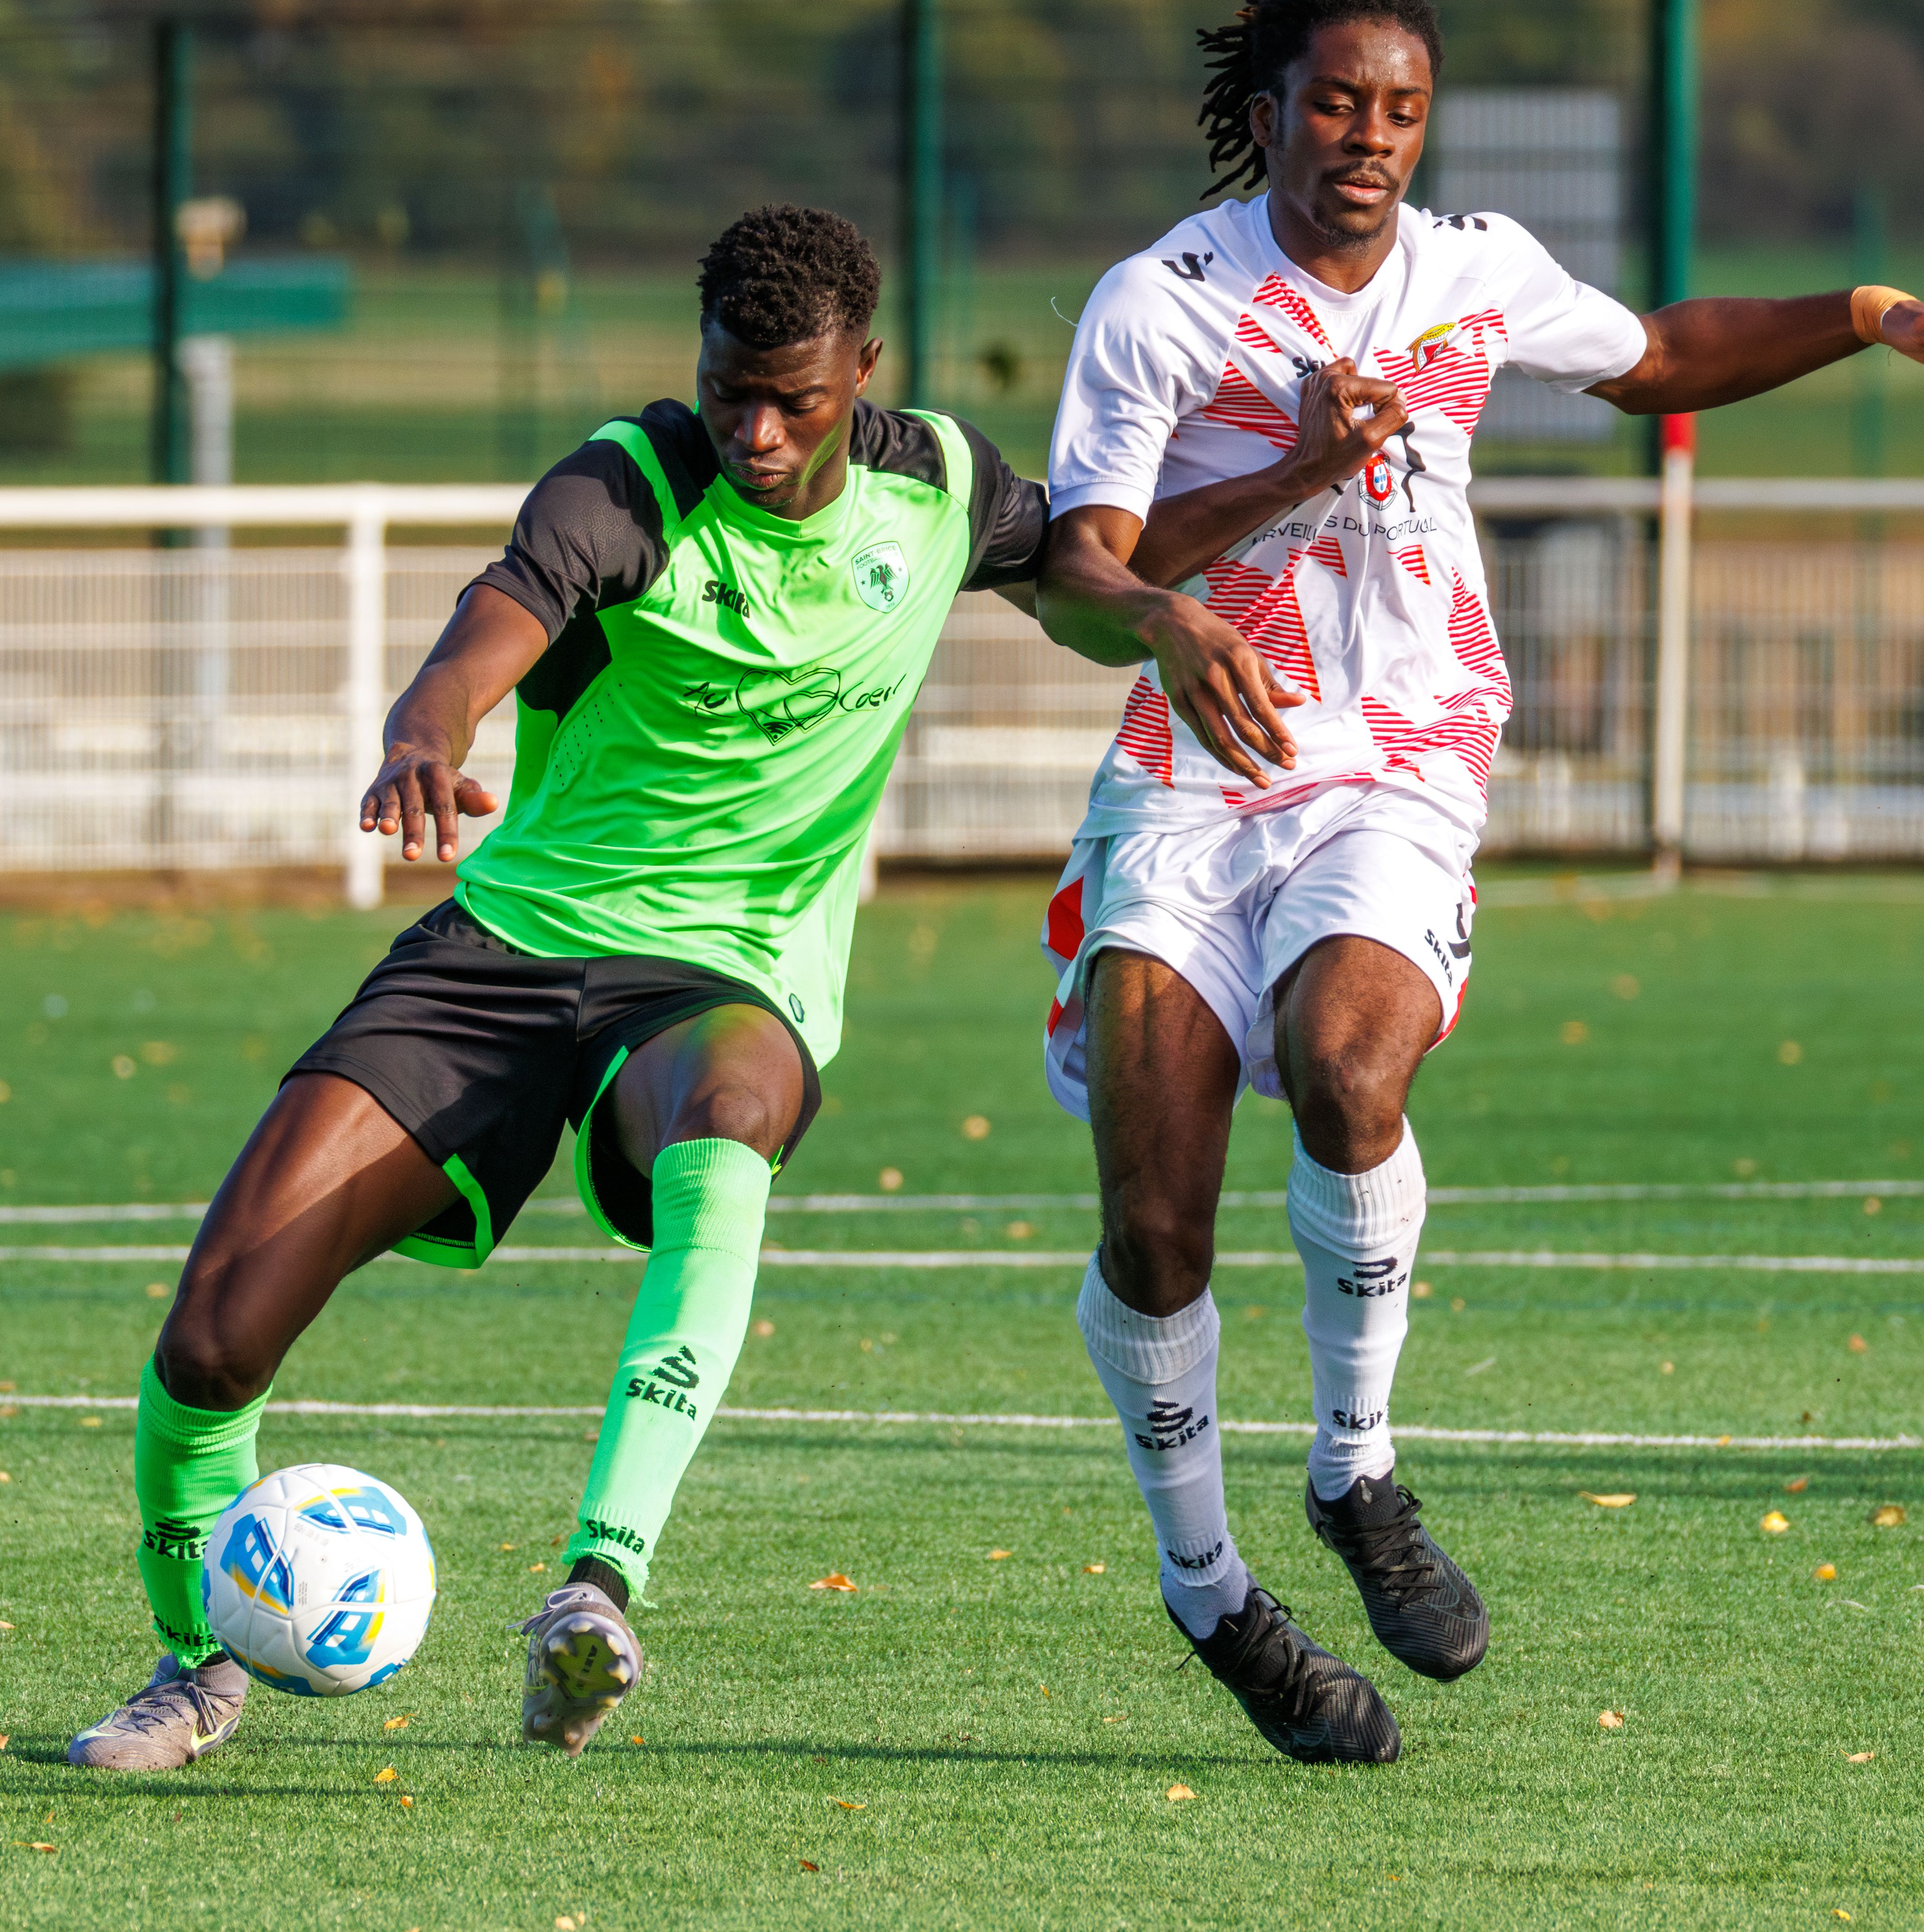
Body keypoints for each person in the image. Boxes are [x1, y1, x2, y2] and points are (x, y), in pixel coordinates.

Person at [1030, 0, 1924, 1766]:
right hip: (1193, 774)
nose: (1366, 139)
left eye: (1399, 110)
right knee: (1153, 1217)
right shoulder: (1164, 301)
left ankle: (1355, 1474)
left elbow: (1654, 355)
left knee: (1353, 1069)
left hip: (1400, 758)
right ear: (1265, 109)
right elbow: (1083, 570)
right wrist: (1257, 511)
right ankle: (1211, 1595)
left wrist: (1873, 312)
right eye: (1335, 102)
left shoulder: (1471, 269)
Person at [65, 204, 1219, 1772]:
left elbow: (1079, 584)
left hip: (725, 973)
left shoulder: (938, 481)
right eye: (727, 388)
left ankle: (597, 1587)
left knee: (733, 1110)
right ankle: (196, 1665)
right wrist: (428, 726)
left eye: (793, 401)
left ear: (859, 373)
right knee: (211, 1339)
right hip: (506, 951)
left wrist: (1159, 609)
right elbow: (501, 614)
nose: (751, 430)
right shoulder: (631, 479)